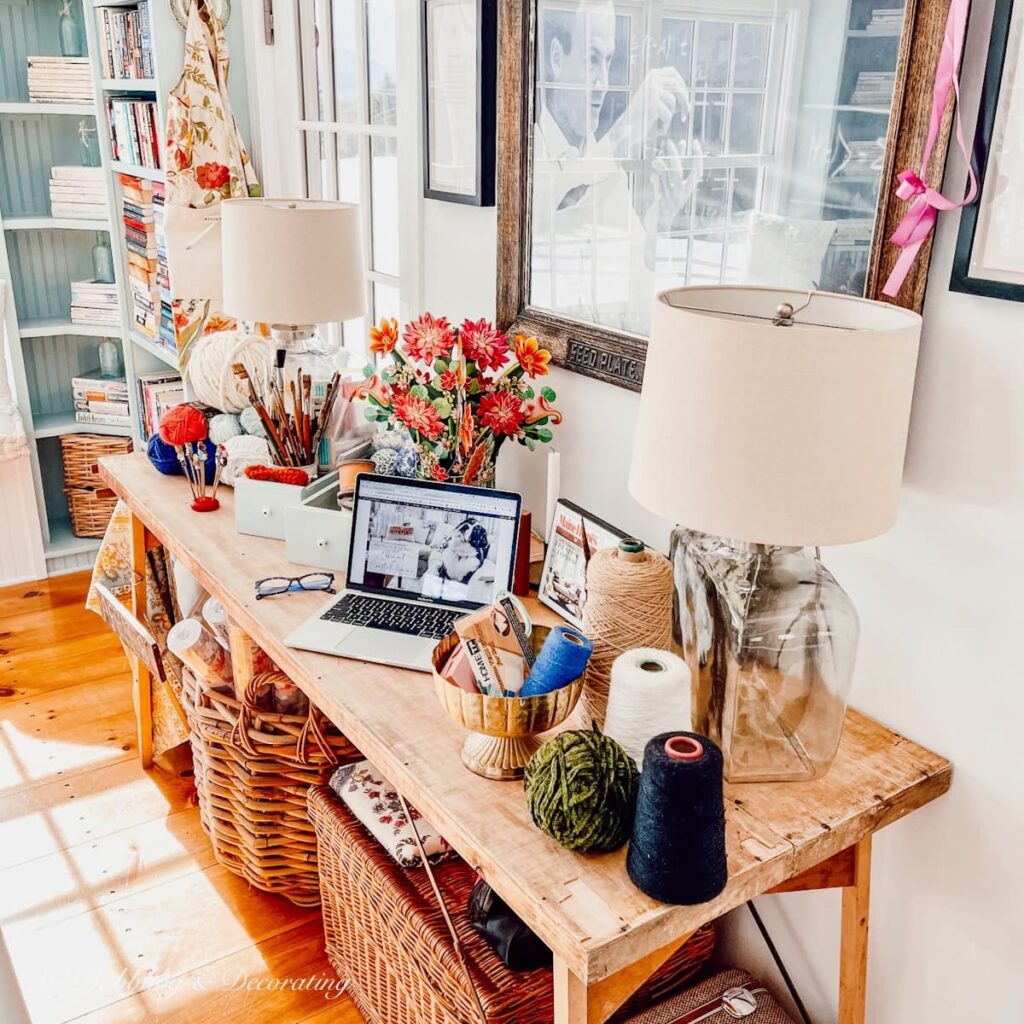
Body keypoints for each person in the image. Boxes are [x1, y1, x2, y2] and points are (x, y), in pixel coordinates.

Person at [532, 0, 700, 332]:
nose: (603, 82)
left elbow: (638, 295)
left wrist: (661, 220)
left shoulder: (608, 168)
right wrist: (629, 128)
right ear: (555, 58)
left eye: (608, 62)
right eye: (592, 59)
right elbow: (560, 201)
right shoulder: (527, 156)